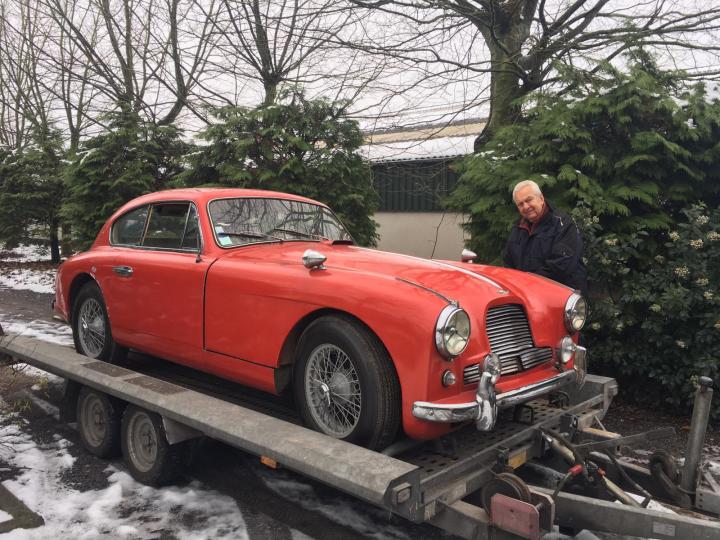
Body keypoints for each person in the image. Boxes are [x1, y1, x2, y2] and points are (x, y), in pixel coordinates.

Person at [503, 180, 588, 296]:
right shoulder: (518, 228)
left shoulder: (563, 224)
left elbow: (561, 265)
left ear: (541, 199)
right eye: (520, 204)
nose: (526, 206)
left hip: (563, 295)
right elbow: (508, 262)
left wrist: (528, 283)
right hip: (529, 294)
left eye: (529, 200)